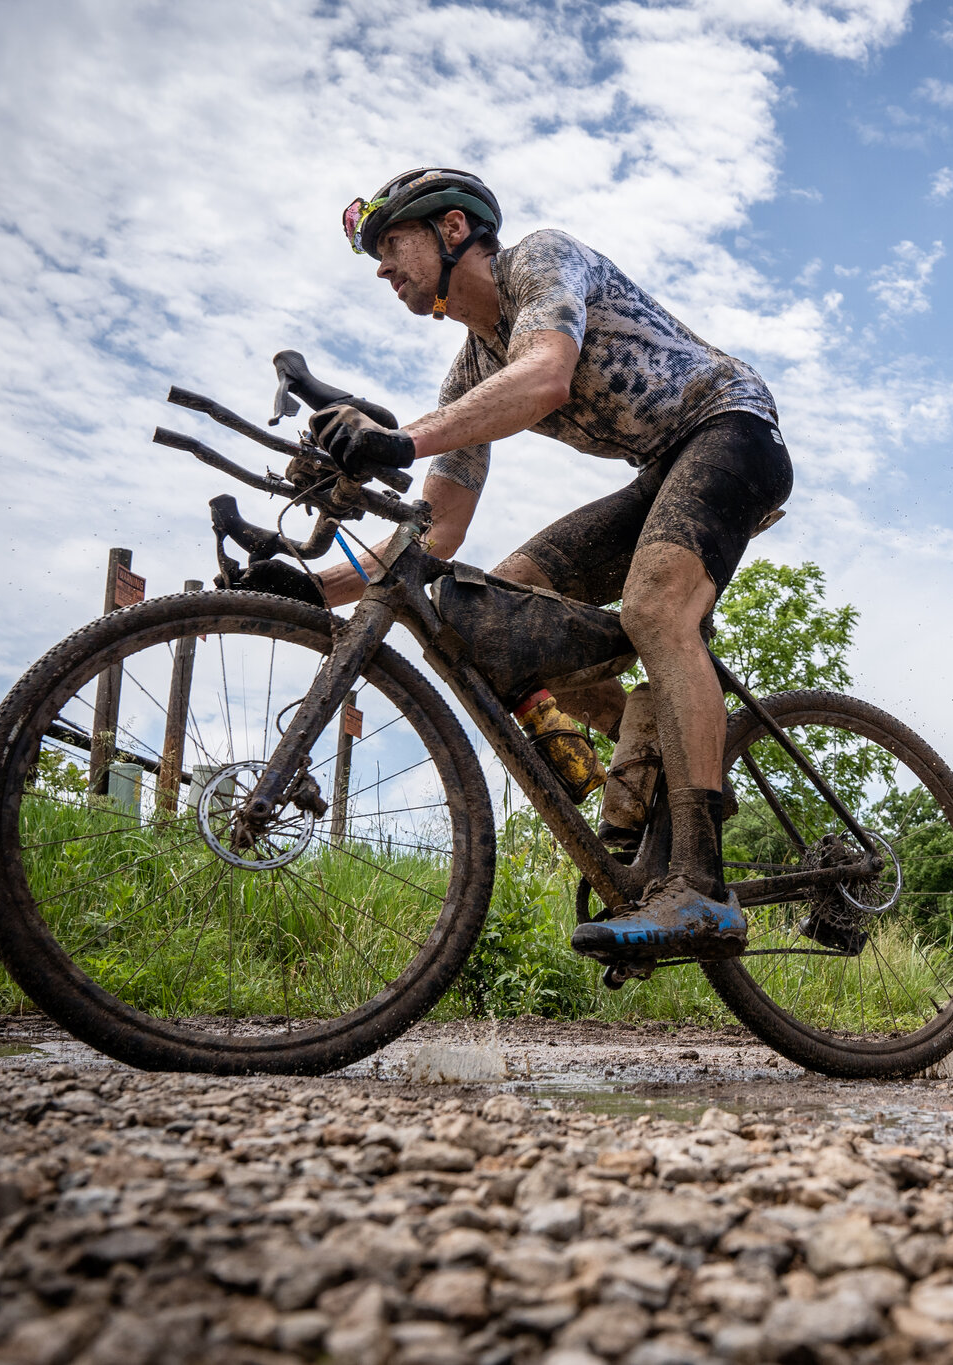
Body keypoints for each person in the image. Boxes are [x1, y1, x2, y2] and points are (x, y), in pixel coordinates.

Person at [314, 167, 792, 965]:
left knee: (653, 609)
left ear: (453, 229)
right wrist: (310, 587)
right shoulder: (470, 371)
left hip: (732, 427)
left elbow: (546, 374)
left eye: (392, 244)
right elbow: (434, 535)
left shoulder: (539, 260)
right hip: (662, 467)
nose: (383, 268)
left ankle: (702, 887)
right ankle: (649, 750)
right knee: (497, 608)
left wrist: (400, 440)